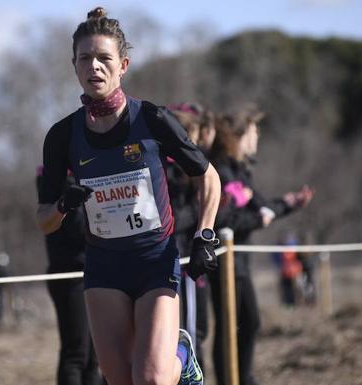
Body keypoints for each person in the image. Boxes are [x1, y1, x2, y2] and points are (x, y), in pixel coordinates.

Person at [37, 7, 222, 385]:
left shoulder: (152, 119)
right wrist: (63, 205)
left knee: (152, 379)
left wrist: (205, 235)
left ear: (123, 65)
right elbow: (44, 220)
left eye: (104, 58)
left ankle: (182, 356)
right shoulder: (61, 136)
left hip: (155, 258)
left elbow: (209, 177)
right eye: (85, 59)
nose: (95, 67)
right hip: (104, 264)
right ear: (74, 66)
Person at [207, 104, 314, 385]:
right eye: (254, 132)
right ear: (238, 135)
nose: (257, 139)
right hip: (223, 260)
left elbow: (261, 207)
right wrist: (257, 219)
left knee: (247, 322)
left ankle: (243, 377)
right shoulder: (221, 169)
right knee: (231, 324)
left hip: (238, 261)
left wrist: (288, 204)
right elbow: (223, 218)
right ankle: (233, 379)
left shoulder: (240, 170)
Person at [36, 166, 102, 385]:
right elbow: (76, 228)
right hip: (69, 275)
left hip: (93, 271)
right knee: (76, 353)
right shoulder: (59, 179)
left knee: (95, 358)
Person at [166, 103, 216, 376]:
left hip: (192, 259)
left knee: (199, 332)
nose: (194, 141)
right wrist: (199, 210)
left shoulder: (195, 168)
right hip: (179, 262)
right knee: (189, 334)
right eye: (191, 133)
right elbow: (170, 217)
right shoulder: (170, 169)